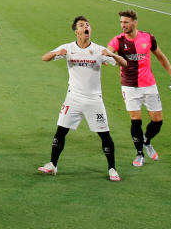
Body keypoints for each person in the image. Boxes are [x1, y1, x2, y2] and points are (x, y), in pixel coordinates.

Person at [38, 16, 127, 181]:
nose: (86, 27)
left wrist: (112, 55)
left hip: (94, 100)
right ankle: (52, 164)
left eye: (88, 25)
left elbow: (124, 64)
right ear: (76, 31)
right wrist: (57, 53)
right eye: (82, 25)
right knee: (60, 131)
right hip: (73, 98)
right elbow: (44, 57)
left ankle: (112, 168)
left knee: (104, 134)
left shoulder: (99, 50)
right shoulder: (68, 48)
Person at [108, 9, 171, 167]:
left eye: (126, 22)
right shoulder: (117, 40)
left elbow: (161, 57)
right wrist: (105, 57)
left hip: (149, 85)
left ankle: (147, 141)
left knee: (157, 122)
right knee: (136, 121)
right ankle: (139, 153)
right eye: (121, 22)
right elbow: (108, 53)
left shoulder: (148, 38)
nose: (123, 25)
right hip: (129, 86)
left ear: (134, 22)